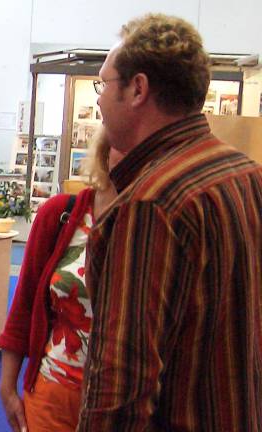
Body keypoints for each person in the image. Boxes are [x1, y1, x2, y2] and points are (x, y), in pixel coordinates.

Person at [79, 14, 262, 431]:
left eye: (103, 85)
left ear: (138, 89)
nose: (99, 103)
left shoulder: (151, 203)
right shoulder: (246, 174)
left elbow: (121, 386)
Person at [0, 129, 120, 432]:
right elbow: (24, 303)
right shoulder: (61, 214)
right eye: (122, 144)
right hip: (54, 393)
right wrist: (8, 387)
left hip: (122, 405)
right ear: (105, 152)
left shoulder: (155, 223)